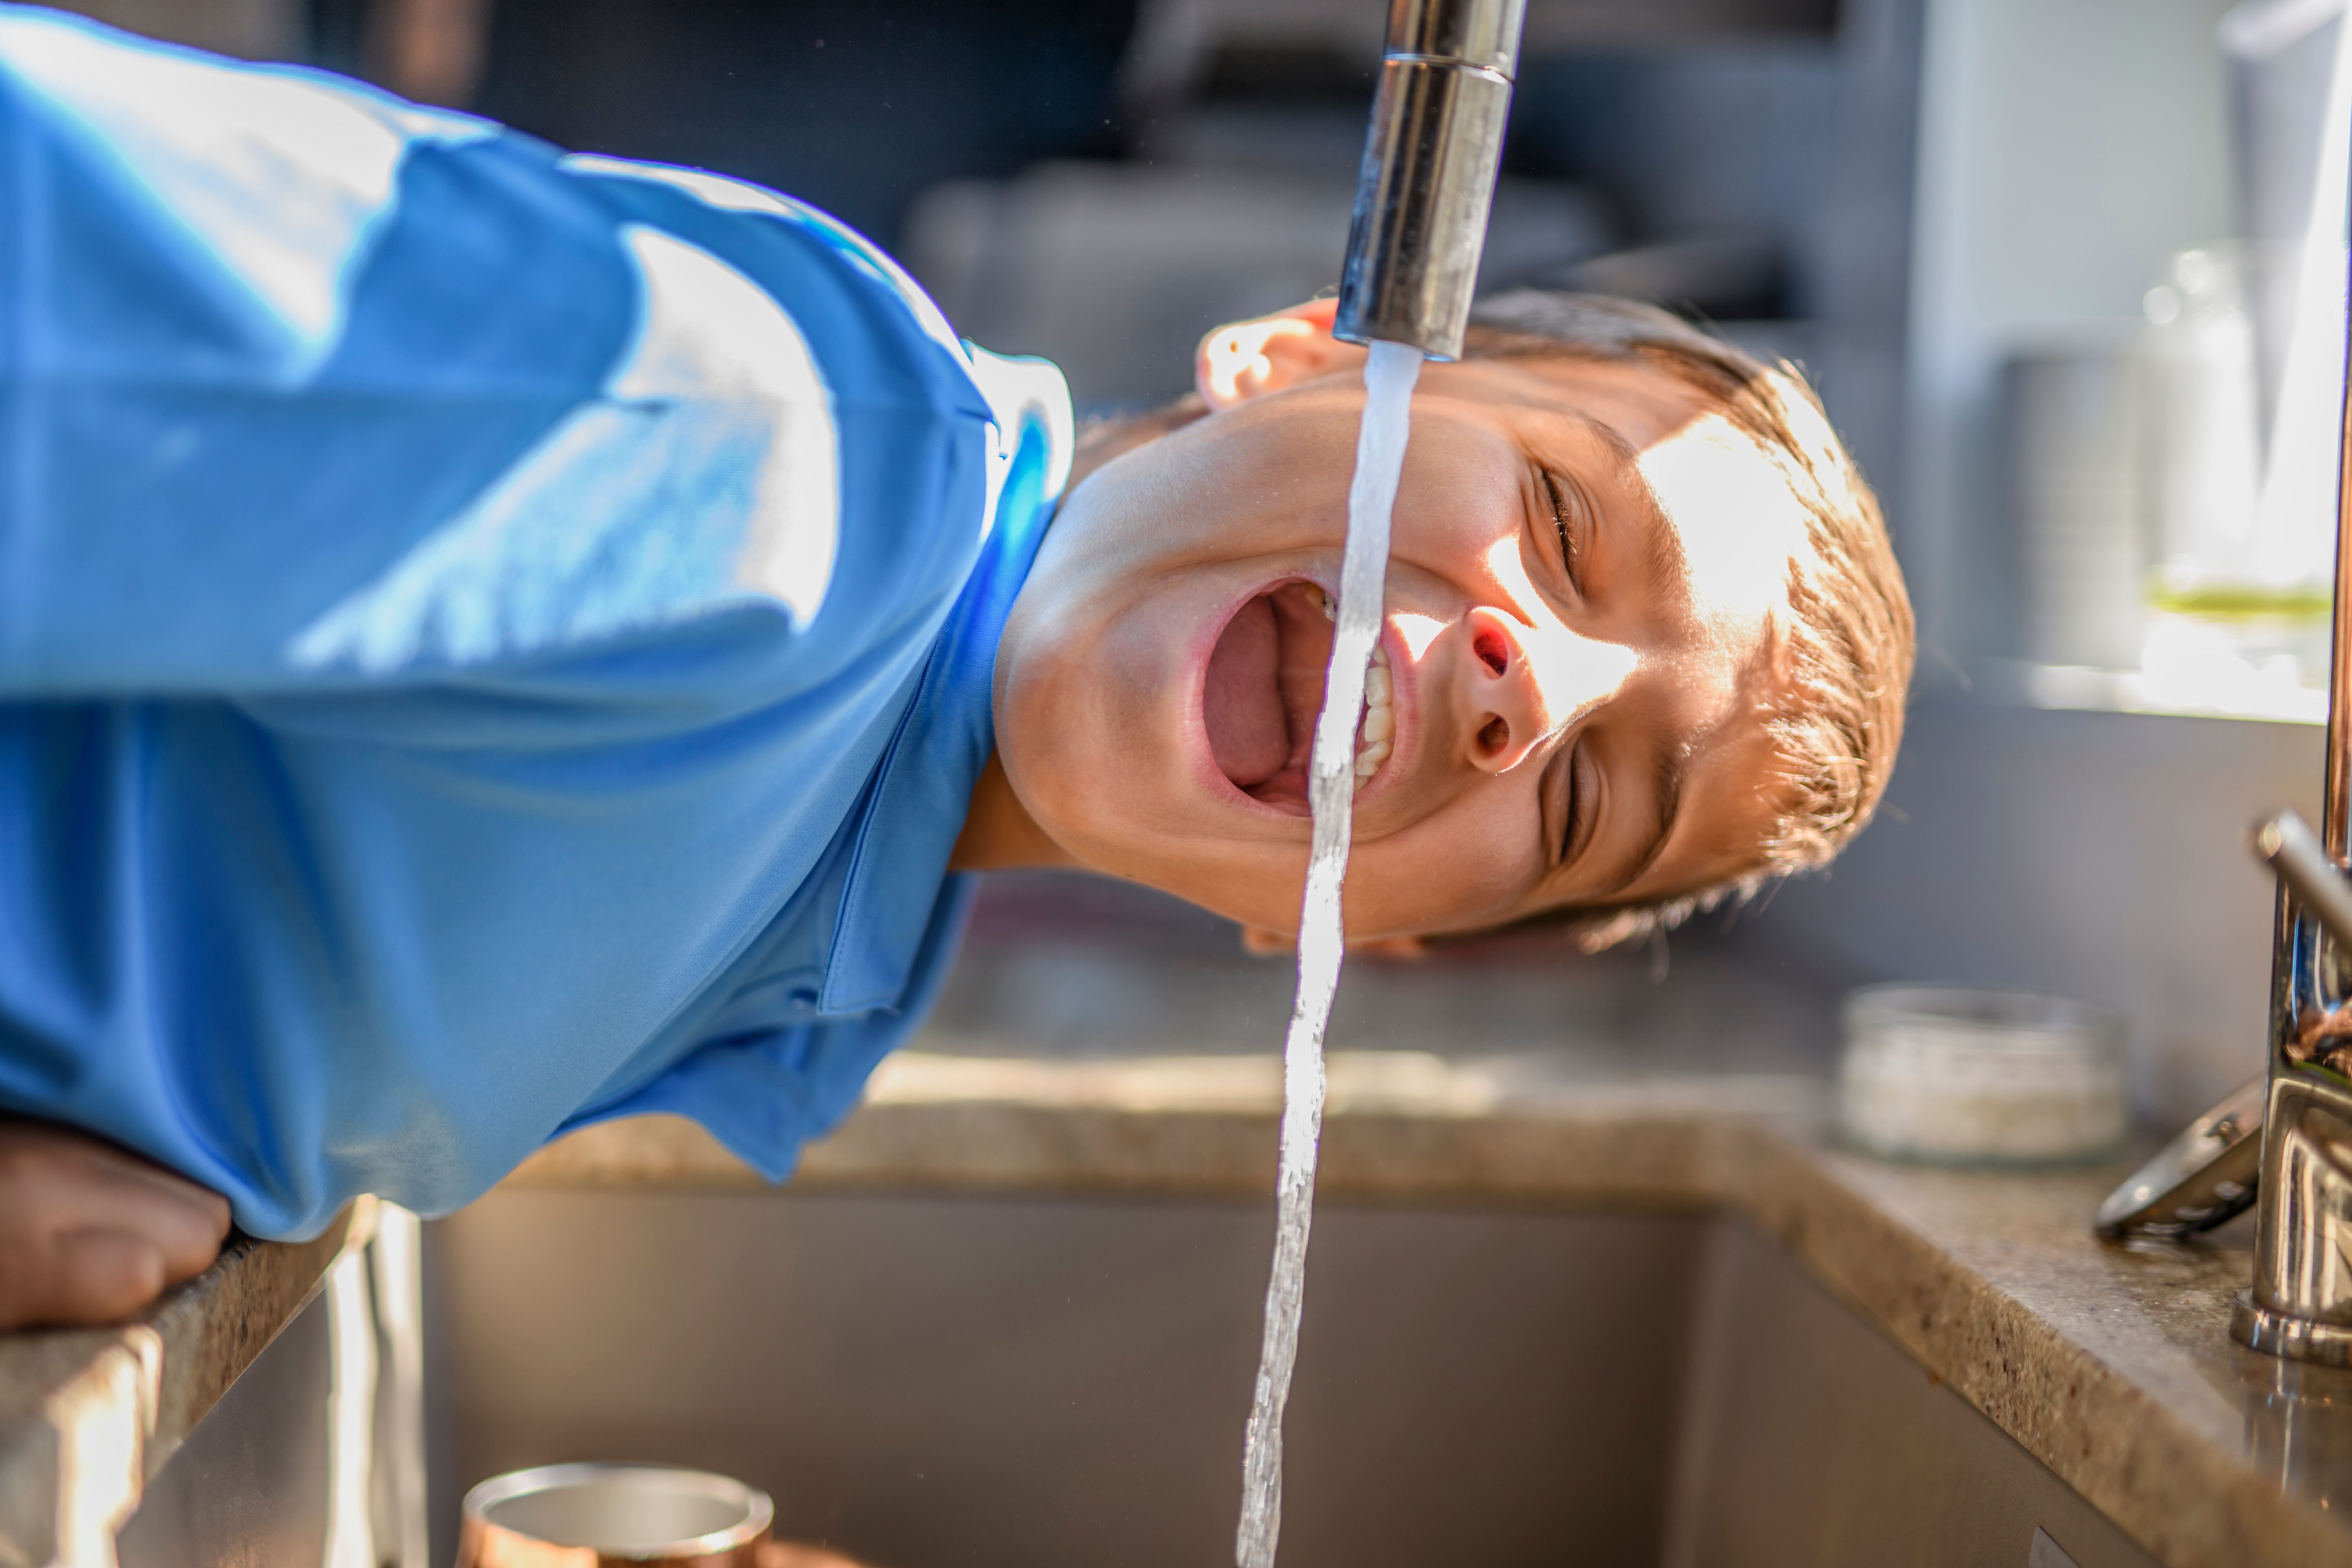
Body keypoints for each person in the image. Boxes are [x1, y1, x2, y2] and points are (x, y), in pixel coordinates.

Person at [0, 5, 1913, 1330]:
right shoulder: (793, 457)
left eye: (1585, 798)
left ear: (1368, 942)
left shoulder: (830, 955)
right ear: (1311, 356)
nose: (1537, 690)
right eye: (1574, 528)